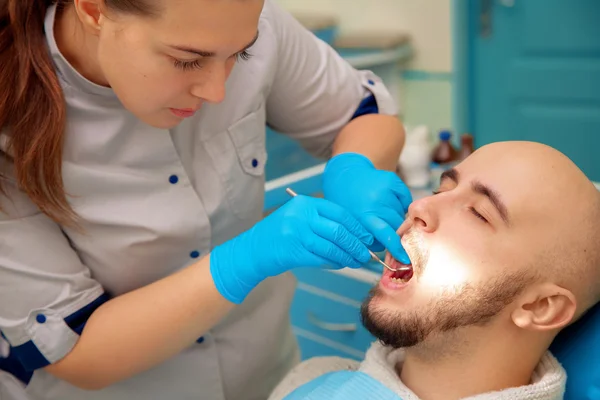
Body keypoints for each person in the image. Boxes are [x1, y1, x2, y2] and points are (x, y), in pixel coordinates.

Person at [0, 0, 414, 399]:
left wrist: (354, 168)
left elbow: (362, 113)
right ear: (93, 9)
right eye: (186, 60)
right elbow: (77, 352)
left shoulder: (241, 21)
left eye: (241, 55)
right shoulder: (9, 124)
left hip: (267, 377)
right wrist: (243, 260)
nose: (218, 91)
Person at [269, 141, 600, 400]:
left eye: (478, 214)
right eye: (442, 190)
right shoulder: (310, 380)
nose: (418, 206)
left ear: (540, 307)